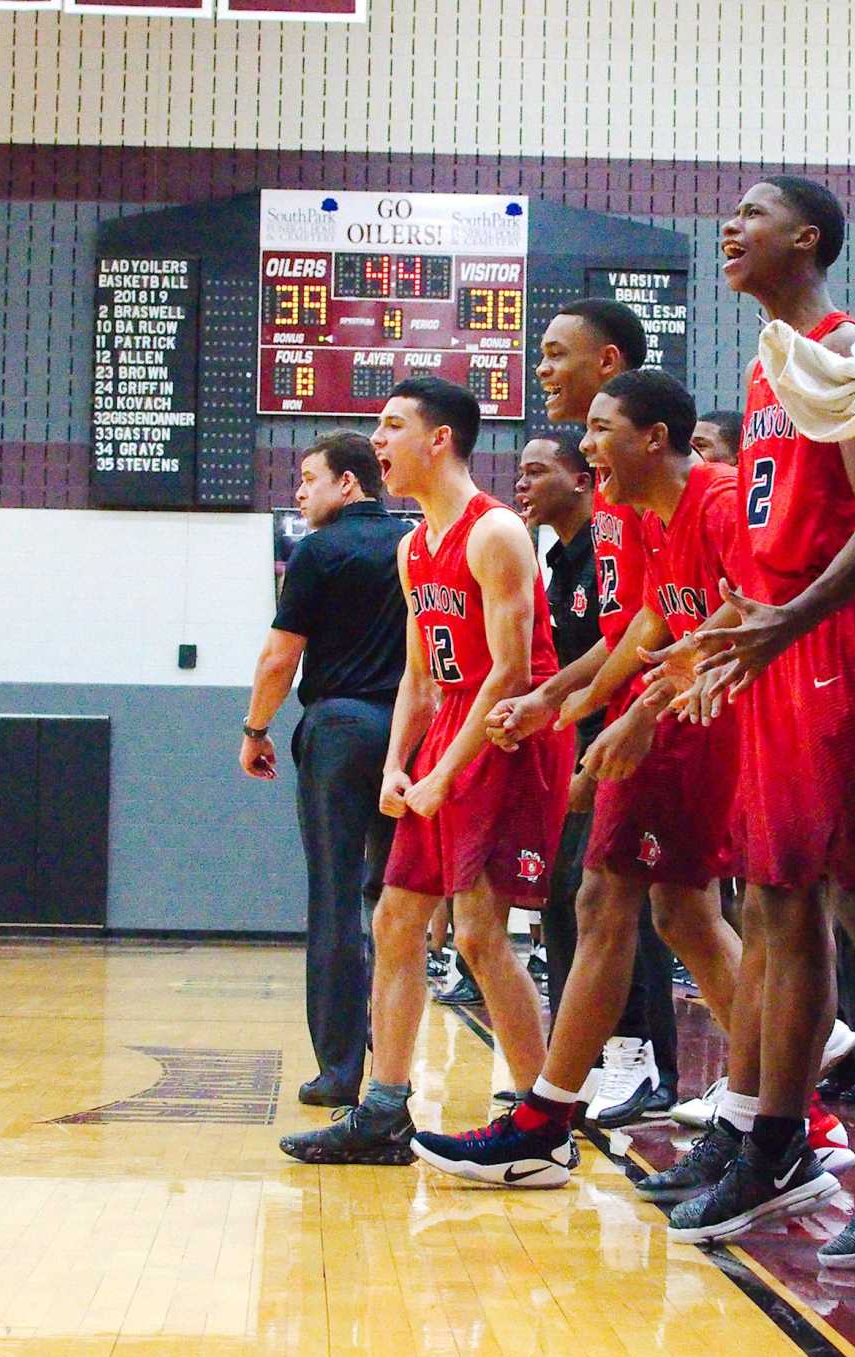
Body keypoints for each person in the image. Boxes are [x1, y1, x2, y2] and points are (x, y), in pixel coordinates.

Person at [661, 176, 855, 1268]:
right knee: (775, 905)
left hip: (837, 647)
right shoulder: (763, 362)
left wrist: (784, 624)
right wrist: (731, 635)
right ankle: (772, 1139)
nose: (728, 227)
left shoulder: (842, 345)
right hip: (776, 643)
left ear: (806, 239)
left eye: (752, 214)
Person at [413, 370, 748, 1186]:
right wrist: (560, 702)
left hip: (726, 716)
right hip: (676, 712)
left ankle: (553, 1116)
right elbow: (648, 626)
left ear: (653, 438)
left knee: (647, 905)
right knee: (669, 911)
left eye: (599, 430)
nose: (587, 445)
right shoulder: (637, 516)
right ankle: (772, 1109)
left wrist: (635, 712)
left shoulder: (719, 499)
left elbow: (748, 611)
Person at [278, 378, 572, 1165]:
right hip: (448, 732)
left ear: (438, 439)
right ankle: (383, 1110)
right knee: (395, 921)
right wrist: (399, 763)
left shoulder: (495, 532)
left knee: (479, 935)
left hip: (508, 741)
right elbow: (419, 673)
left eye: (392, 424)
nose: (377, 439)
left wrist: (445, 772)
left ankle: (545, 1124)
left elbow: (510, 673)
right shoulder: (414, 545)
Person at [504, 298, 681, 1123]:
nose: (542, 369)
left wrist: (613, 704)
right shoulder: (613, 493)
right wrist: (559, 694)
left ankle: (629, 1066)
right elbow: (631, 625)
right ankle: (582, 1081)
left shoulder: (663, 490)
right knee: (642, 899)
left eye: (554, 353)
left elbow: (669, 616)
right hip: (630, 701)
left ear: (607, 364)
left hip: (675, 703)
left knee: (641, 897)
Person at [240, 432, 407, 1108]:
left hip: (340, 731)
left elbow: (280, 657)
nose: (299, 492)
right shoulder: (415, 546)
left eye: (309, 478)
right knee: (398, 907)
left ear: (348, 483)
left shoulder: (317, 550)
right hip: (411, 734)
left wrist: (255, 728)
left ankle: (339, 1069)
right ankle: (394, 1070)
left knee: (335, 902)